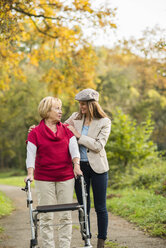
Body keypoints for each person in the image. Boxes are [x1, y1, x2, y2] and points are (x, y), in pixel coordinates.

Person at [25, 96, 82, 248]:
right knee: (46, 216)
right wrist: (30, 174)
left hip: (66, 177)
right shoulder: (35, 132)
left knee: (65, 215)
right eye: (56, 108)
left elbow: (74, 150)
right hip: (44, 178)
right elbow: (30, 155)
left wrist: (76, 165)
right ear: (46, 111)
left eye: (60, 108)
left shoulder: (66, 130)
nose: (60, 111)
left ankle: (64, 246)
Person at [65, 88, 111, 248]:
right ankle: (87, 240)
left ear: (92, 105)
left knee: (100, 207)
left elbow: (98, 146)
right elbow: (57, 129)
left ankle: (101, 242)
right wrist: (36, 130)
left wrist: (78, 135)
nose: (81, 107)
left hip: (99, 168)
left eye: (83, 104)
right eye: (80, 104)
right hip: (79, 167)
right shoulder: (75, 118)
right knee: (83, 205)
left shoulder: (105, 122)